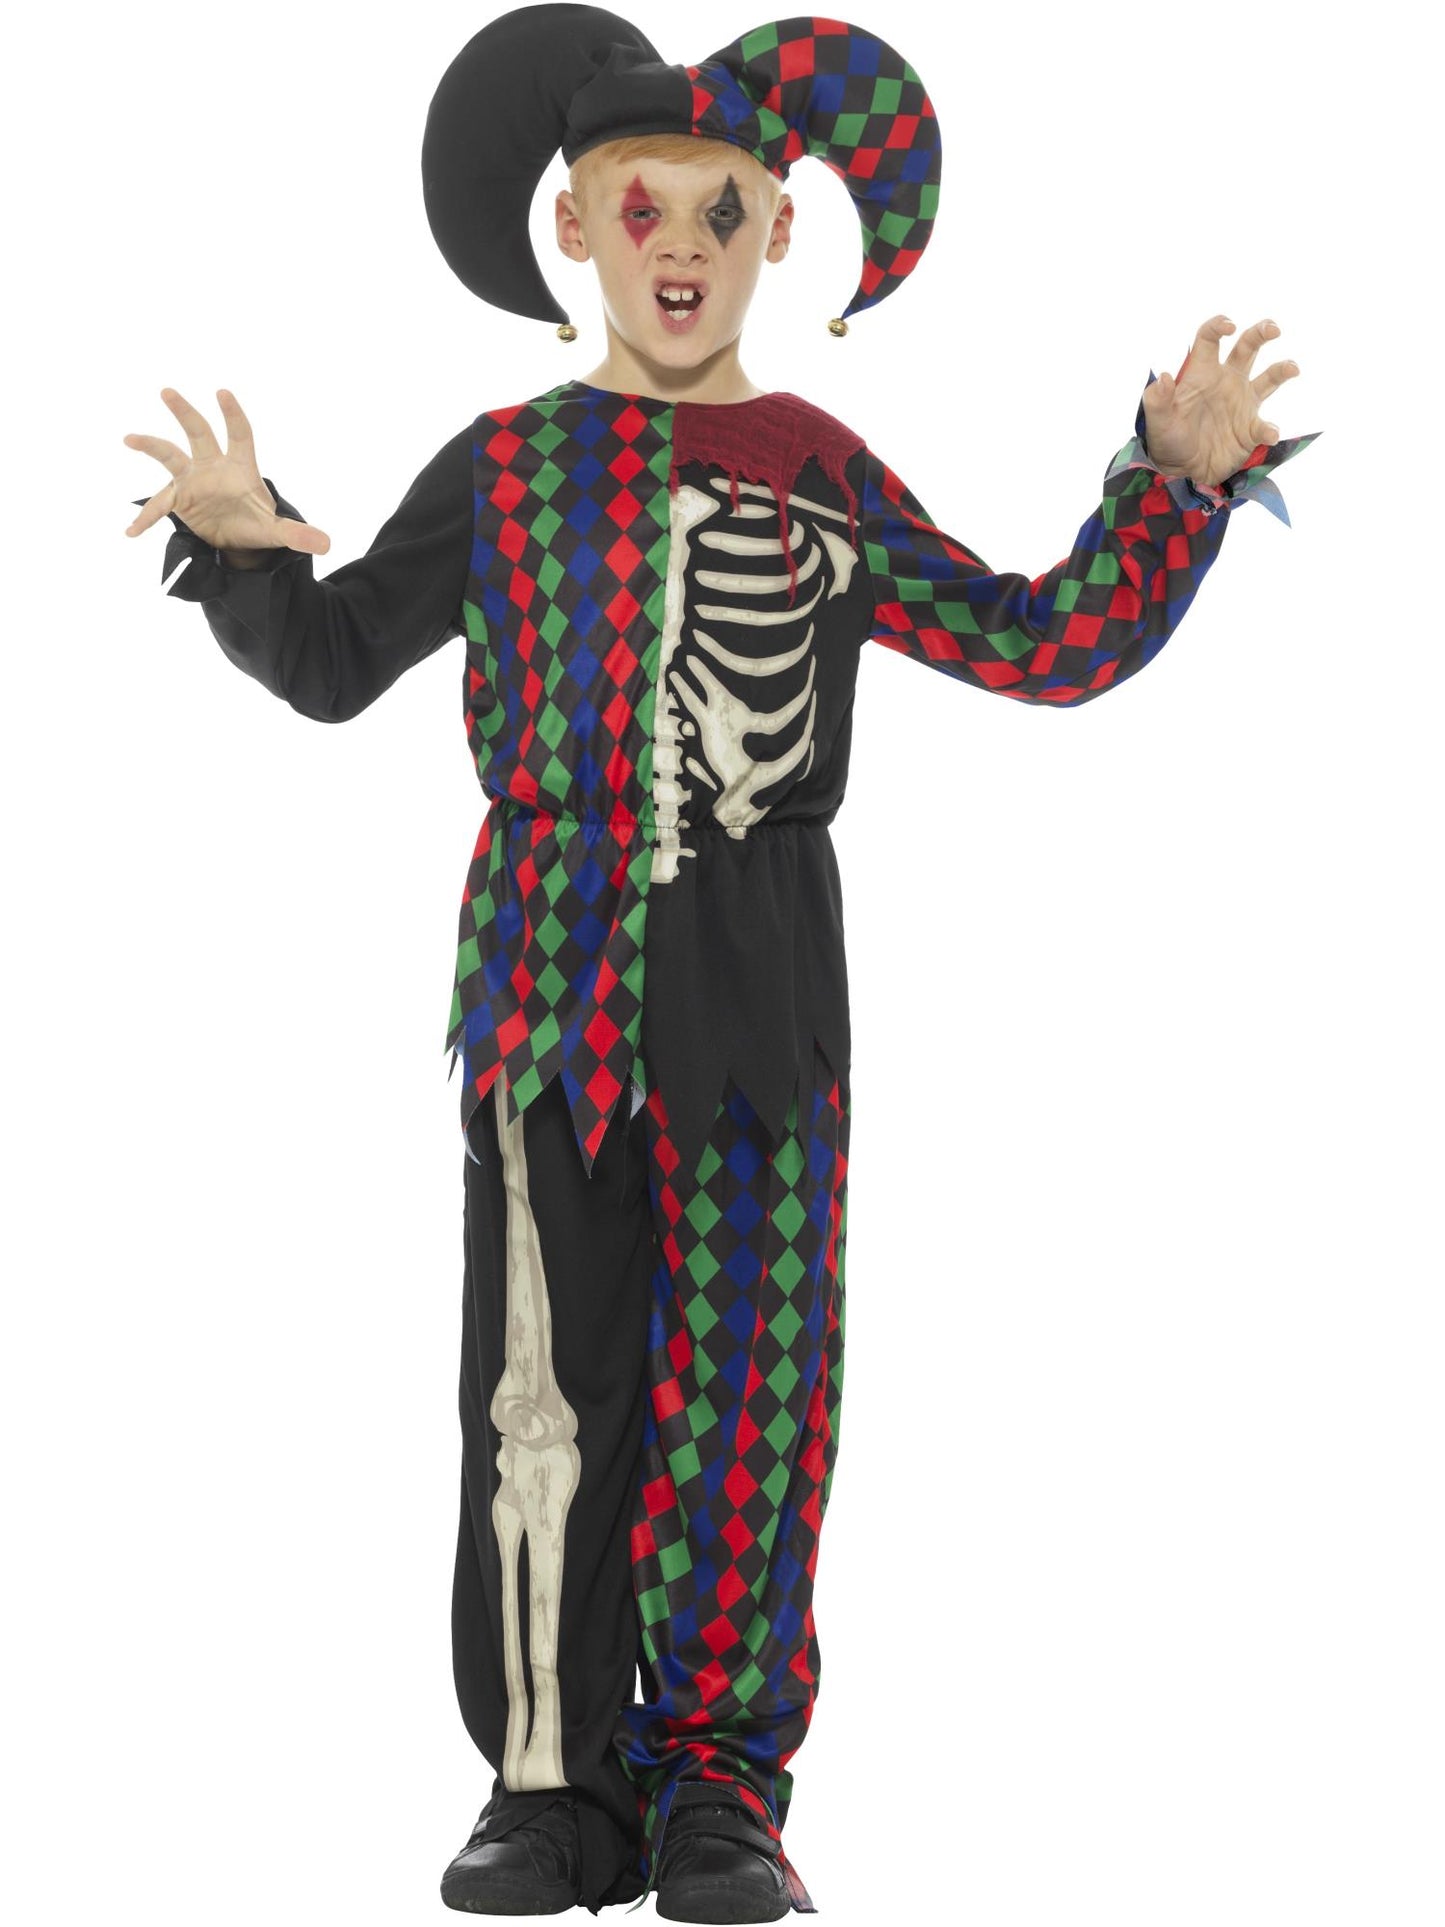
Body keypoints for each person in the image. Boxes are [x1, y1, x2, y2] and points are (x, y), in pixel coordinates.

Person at [123, 8, 1317, 1920]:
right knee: (538, 1400)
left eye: (722, 210)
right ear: (573, 230)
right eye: (639, 207)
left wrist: (1164, 491)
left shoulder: (817, 466)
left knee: (753, 1394)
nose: (678, 244)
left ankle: (717, 1787)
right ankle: (548, 1786)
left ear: (776, 233)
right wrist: (248, 562)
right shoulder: (506, 466)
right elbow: (338, 663)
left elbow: (1038, 643)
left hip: (762, 984)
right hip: (545, 986)